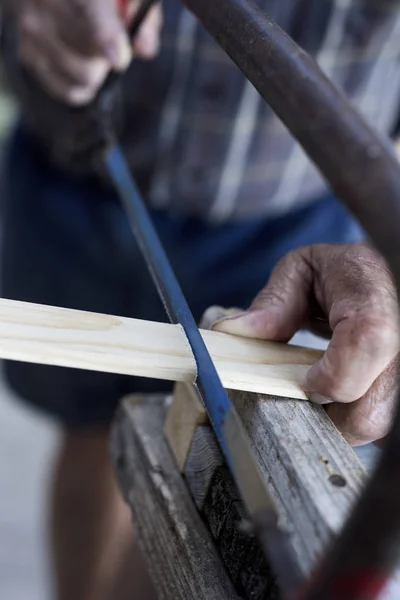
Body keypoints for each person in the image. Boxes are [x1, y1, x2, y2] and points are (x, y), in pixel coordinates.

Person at [0, 1, 399, 598]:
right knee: (88, 428)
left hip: (284, 221)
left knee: (205, 478)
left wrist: (388, 262)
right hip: (76, 181)